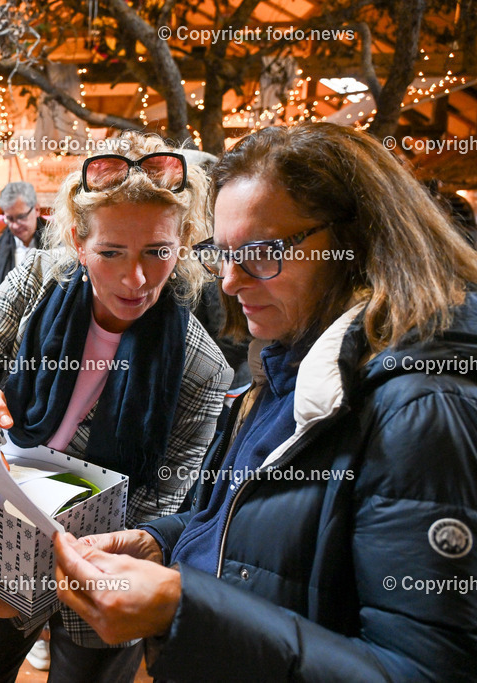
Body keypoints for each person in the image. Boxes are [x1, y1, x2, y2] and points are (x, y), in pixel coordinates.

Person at [52, 122, 477, 681]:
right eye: (222, 253)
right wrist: (159, 542)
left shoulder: (422, 408)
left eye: (263, 251)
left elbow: (426, 670)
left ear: (359, 240)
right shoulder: (285, 367)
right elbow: (238, 529)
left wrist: (185, 610)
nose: (229, 282)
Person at [0, 133, 233, 682]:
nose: (134, 280)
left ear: (185, 241)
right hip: (0, 537)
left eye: (157, 252)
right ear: (78, 239)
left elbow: (159, 510)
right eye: (111, 252)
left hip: (103, 572)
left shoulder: (202, 368)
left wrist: (44, 586)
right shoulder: (36, 285)